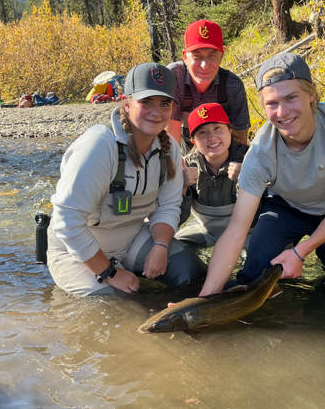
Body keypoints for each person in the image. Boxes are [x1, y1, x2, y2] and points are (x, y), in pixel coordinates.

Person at [199, 52, 325, 296]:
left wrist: (300, 251)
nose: (282, 112)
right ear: (263, 106)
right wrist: (203, 302)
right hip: (285, 208)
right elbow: (236, 230)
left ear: (311, 93)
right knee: (253, 278)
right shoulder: (260, 152)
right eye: (272, 103)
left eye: (291, 98)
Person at [46, 63, 207, 296]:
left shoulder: (169, 148)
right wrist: (110, 272)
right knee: (116, 307)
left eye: (164, 104)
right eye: (146, 102)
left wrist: (161, 246)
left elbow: (169, 206)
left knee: (191, 273)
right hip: (73, 252)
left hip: (132, 240)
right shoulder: (99, 146)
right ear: (126, 103)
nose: (156, 111)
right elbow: (67, 221)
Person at [176, 102, 253, 252]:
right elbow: (178, 219)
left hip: (247, 233)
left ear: (230, 130)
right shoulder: (187, 166)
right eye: (202, 133)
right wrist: (183, 187)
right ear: (194, 141)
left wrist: (250, 180)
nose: (211, 137)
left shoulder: (251, 159)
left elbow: (269, 211)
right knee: (173, 249)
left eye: (217, 128)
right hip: (205, 230)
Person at [166, 19, 251, 149]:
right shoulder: (174, 78)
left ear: (221, 57)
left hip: (222, 155)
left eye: (212, 56)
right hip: (183, 150)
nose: (204, 66)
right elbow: (171, 142)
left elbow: (240, 144)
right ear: (185, 57)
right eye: (197, 56)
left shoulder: (233, 86)